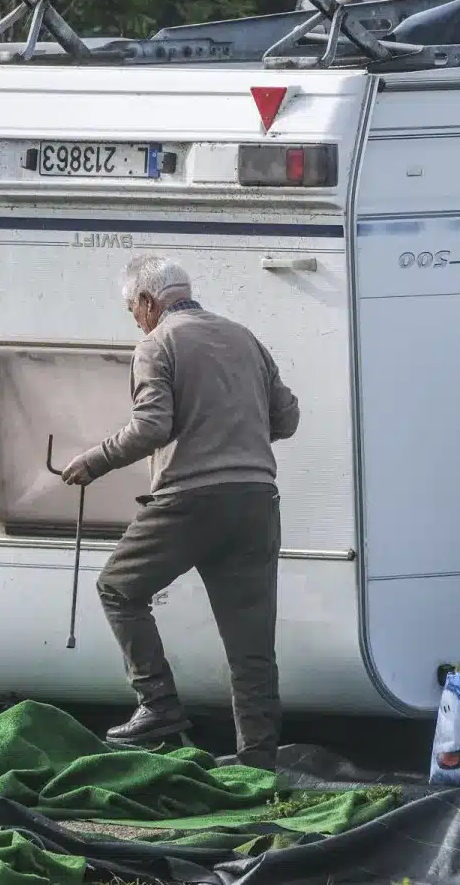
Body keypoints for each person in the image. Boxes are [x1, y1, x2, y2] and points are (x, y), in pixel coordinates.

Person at [62, 254, 299, 766]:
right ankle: (259, 763)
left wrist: (93, 462)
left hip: (190, 501)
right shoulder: (244, 337)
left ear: (148, 302)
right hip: (257, 500)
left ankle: (158, 704)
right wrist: (241, 430)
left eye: (133, 310)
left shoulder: (157, 343)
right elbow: (288, 417)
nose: (135, 319)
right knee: (251, 645)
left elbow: (151, 427)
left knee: (118, 588)